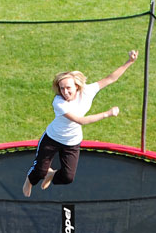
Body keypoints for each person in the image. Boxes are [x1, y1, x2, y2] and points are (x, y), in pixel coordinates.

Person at [22, 49, 140, 198]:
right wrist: (107, 114)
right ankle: (29, 180)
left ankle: (51, 174)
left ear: (76, 86)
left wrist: (129, 61)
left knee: (67, 178)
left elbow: (110, 79)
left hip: (72, 141)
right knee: (39, 172)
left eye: (68, 88)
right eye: (62, 88)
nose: (65, 92)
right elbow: (80, 120)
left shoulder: (87, 91)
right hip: (52, 138)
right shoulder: (59, 102)